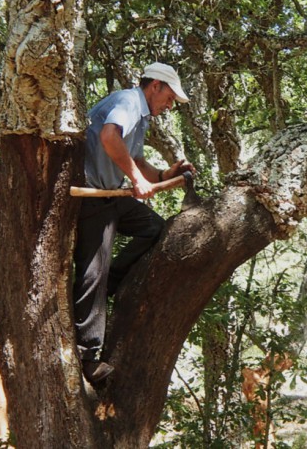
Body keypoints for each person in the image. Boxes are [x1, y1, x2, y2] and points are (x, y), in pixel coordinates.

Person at [74, 62, 195, 384]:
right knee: (92, 272)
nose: (169, 106)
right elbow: (109, 136)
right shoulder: (128, 102)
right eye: (169, 98)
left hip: (113, 195)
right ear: (154, 86)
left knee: (153, 229)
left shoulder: (140, 117)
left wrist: (165, 175)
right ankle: (86, 357)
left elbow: (138, 162)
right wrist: (136, 178)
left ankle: (110, 285)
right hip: (93, 196)